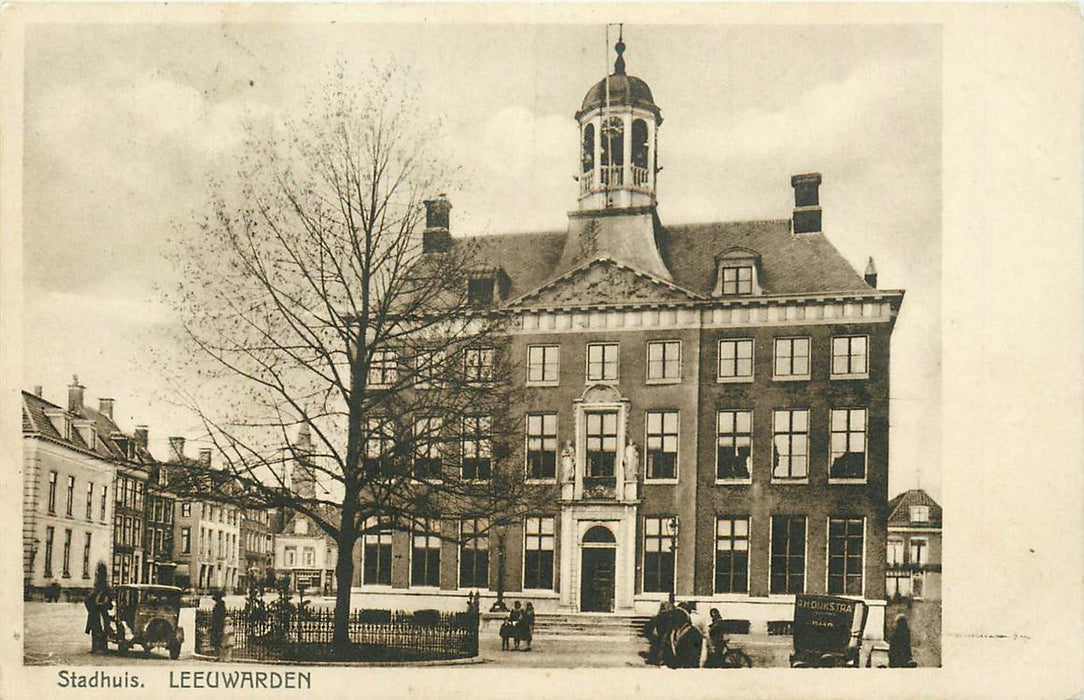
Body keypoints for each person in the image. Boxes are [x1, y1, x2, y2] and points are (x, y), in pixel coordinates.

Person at [210, 590, 227, 656]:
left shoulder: (219, 605)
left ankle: (218, 653)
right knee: (217, 638)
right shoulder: (221, 604)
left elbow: (218, 615)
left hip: (218, 624)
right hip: (218, 623)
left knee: (217, 638)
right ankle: (218, 653)